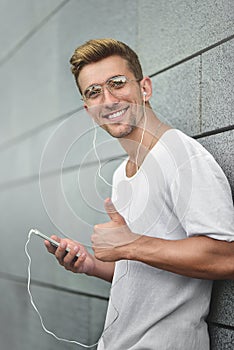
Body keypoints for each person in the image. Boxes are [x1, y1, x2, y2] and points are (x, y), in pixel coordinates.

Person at [45, 38, 234, 350]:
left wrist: (130, 245)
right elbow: (145, 272)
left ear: (144, 88)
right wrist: (91, 265)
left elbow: (226, 256)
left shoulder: (182, 156)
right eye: (94, 92)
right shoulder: (123, 174)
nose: (108, 99)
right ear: (89, 110)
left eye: (117, 83)